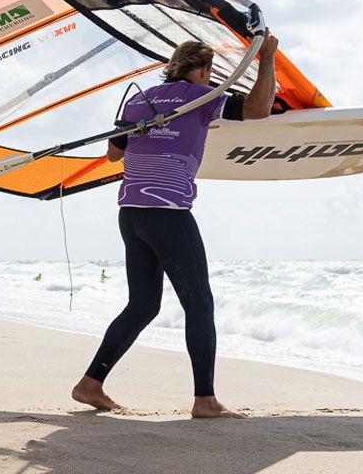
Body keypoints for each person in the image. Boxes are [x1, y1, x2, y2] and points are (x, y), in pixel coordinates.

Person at [71, 34, 279, 419]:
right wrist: (267, 58)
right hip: (167, 211)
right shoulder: (201, 96)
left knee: (142, 305)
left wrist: (148, 131)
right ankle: (205, 400)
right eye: (210, 72)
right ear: (203, 69)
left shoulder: (139, 99)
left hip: (131, 212)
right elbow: (258, 109)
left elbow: (114, 154)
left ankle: (90, 384)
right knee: (199, 303)